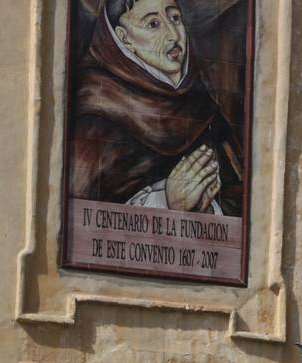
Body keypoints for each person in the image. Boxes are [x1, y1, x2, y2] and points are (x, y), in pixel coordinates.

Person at [67, 0, 244, 215]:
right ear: (124, 39)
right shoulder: (95, 113)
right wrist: (165, 201)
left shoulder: (203, 109)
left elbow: (239, 203)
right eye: (153, 24)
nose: (173, 34)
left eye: (175, 18)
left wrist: (207, 207)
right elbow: (80, 218)